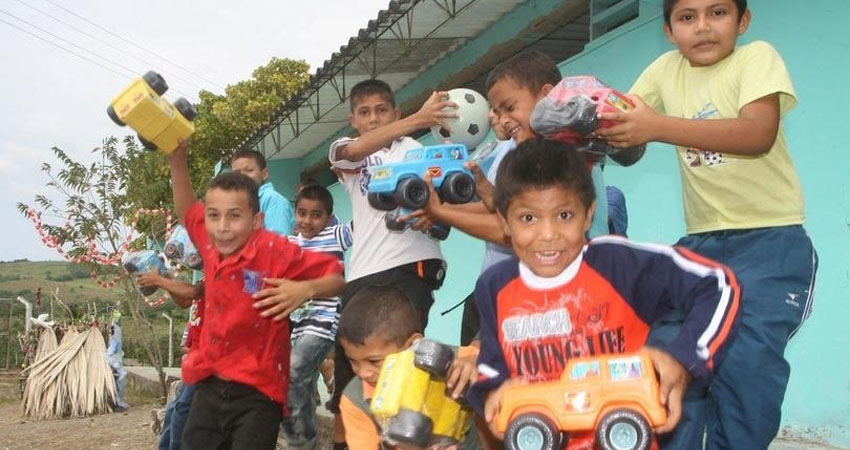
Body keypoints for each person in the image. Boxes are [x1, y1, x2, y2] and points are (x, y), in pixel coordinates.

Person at [594, 1, 818, 448]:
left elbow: (757, 134)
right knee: (669, 356)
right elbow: (628, 131)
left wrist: (653, 127)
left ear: (743, 21)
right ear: (668, 29)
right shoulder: (663, 70)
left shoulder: (756, 59)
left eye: (717, 13)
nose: (702, 27)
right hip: (700, 247)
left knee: (746, 369)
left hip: (771, 241)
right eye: (687, 17)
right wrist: (601, 129)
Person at [467, 139, 741, 449]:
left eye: (564, 216)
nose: (547, 235)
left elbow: (718, 284)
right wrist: (493, 393)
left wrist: (685, 359)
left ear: (588, 214)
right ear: (505, 222)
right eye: (528, 218)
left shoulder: (617, 265)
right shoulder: (494, 287)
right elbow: (492, 363)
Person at [166, 142, 345, 450]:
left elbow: (336, 278)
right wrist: (177, 160)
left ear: (256, 221)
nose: (222, 227)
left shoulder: (274, 250)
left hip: (259, 391)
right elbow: (187, 211)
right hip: (209, 382)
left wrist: (305, 289)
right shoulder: (210, 244)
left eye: (234, 216)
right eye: (214, 216)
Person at [326, 79, 453, 448]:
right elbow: (352, 151)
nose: (374, 118)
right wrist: (419, 118)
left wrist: (436, 214)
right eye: (364, 113)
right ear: (353, 120)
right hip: (363, 274)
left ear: (394, 112)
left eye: (382, 110)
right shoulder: (350, 153)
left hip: (412, 265)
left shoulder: (417, 151)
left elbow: (446, 207)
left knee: (402, 368)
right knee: (350, 374)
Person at [337, 286, 478, 450]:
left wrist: (478, 366)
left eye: (374, 361)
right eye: (353, 361)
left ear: (413, 344)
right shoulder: (355, 400)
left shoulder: (457, 361)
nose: (363, 373)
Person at [281, 184, 353, 450]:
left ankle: (301, 445)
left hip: (325, 320)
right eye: (302, 213)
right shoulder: (290, 244)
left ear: (329, 217)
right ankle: (329, 367)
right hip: (299, 324)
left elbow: (364, 225)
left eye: (316, 215)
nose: (307, 221)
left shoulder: (336, 234)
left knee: (295, 369)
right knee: (298, 382)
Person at [136, 272, 203, 450]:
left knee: (182, 410)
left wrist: (159, 280)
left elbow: (194, 292)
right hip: (196, 359)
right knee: (174, 410)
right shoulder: (207, 276)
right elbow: (185, 302)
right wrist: (166, 280)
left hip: (206, 359)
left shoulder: (220, 274)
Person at [231, 149, 295, 236]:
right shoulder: (237, 202)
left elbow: (276, 243)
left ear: (264, 174)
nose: (242, 176)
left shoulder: (273, 200)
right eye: (237, 173)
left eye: (249, 170)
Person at [104, 309, 130, 412]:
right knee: (119, 381)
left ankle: (118, 402)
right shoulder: (115, 335)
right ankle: (117, 403)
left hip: (115, 362)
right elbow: (112, 351)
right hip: (113, 363)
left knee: (120, 380)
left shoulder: (116, 334)